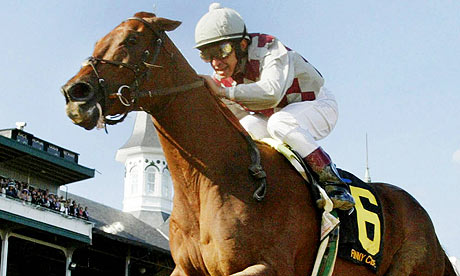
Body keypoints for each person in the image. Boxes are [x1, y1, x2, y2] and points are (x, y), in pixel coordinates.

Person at [195, 3, 355, 210]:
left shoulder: (268, 48)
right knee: (247, 127)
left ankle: (333, 182)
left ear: (242, 45)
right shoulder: (222, 80)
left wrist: (223, 93)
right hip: (277, 115)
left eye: (222, 50)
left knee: (281, 123)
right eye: (207, 55)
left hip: (317, 104)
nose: (215, 62)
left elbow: (271, 93)